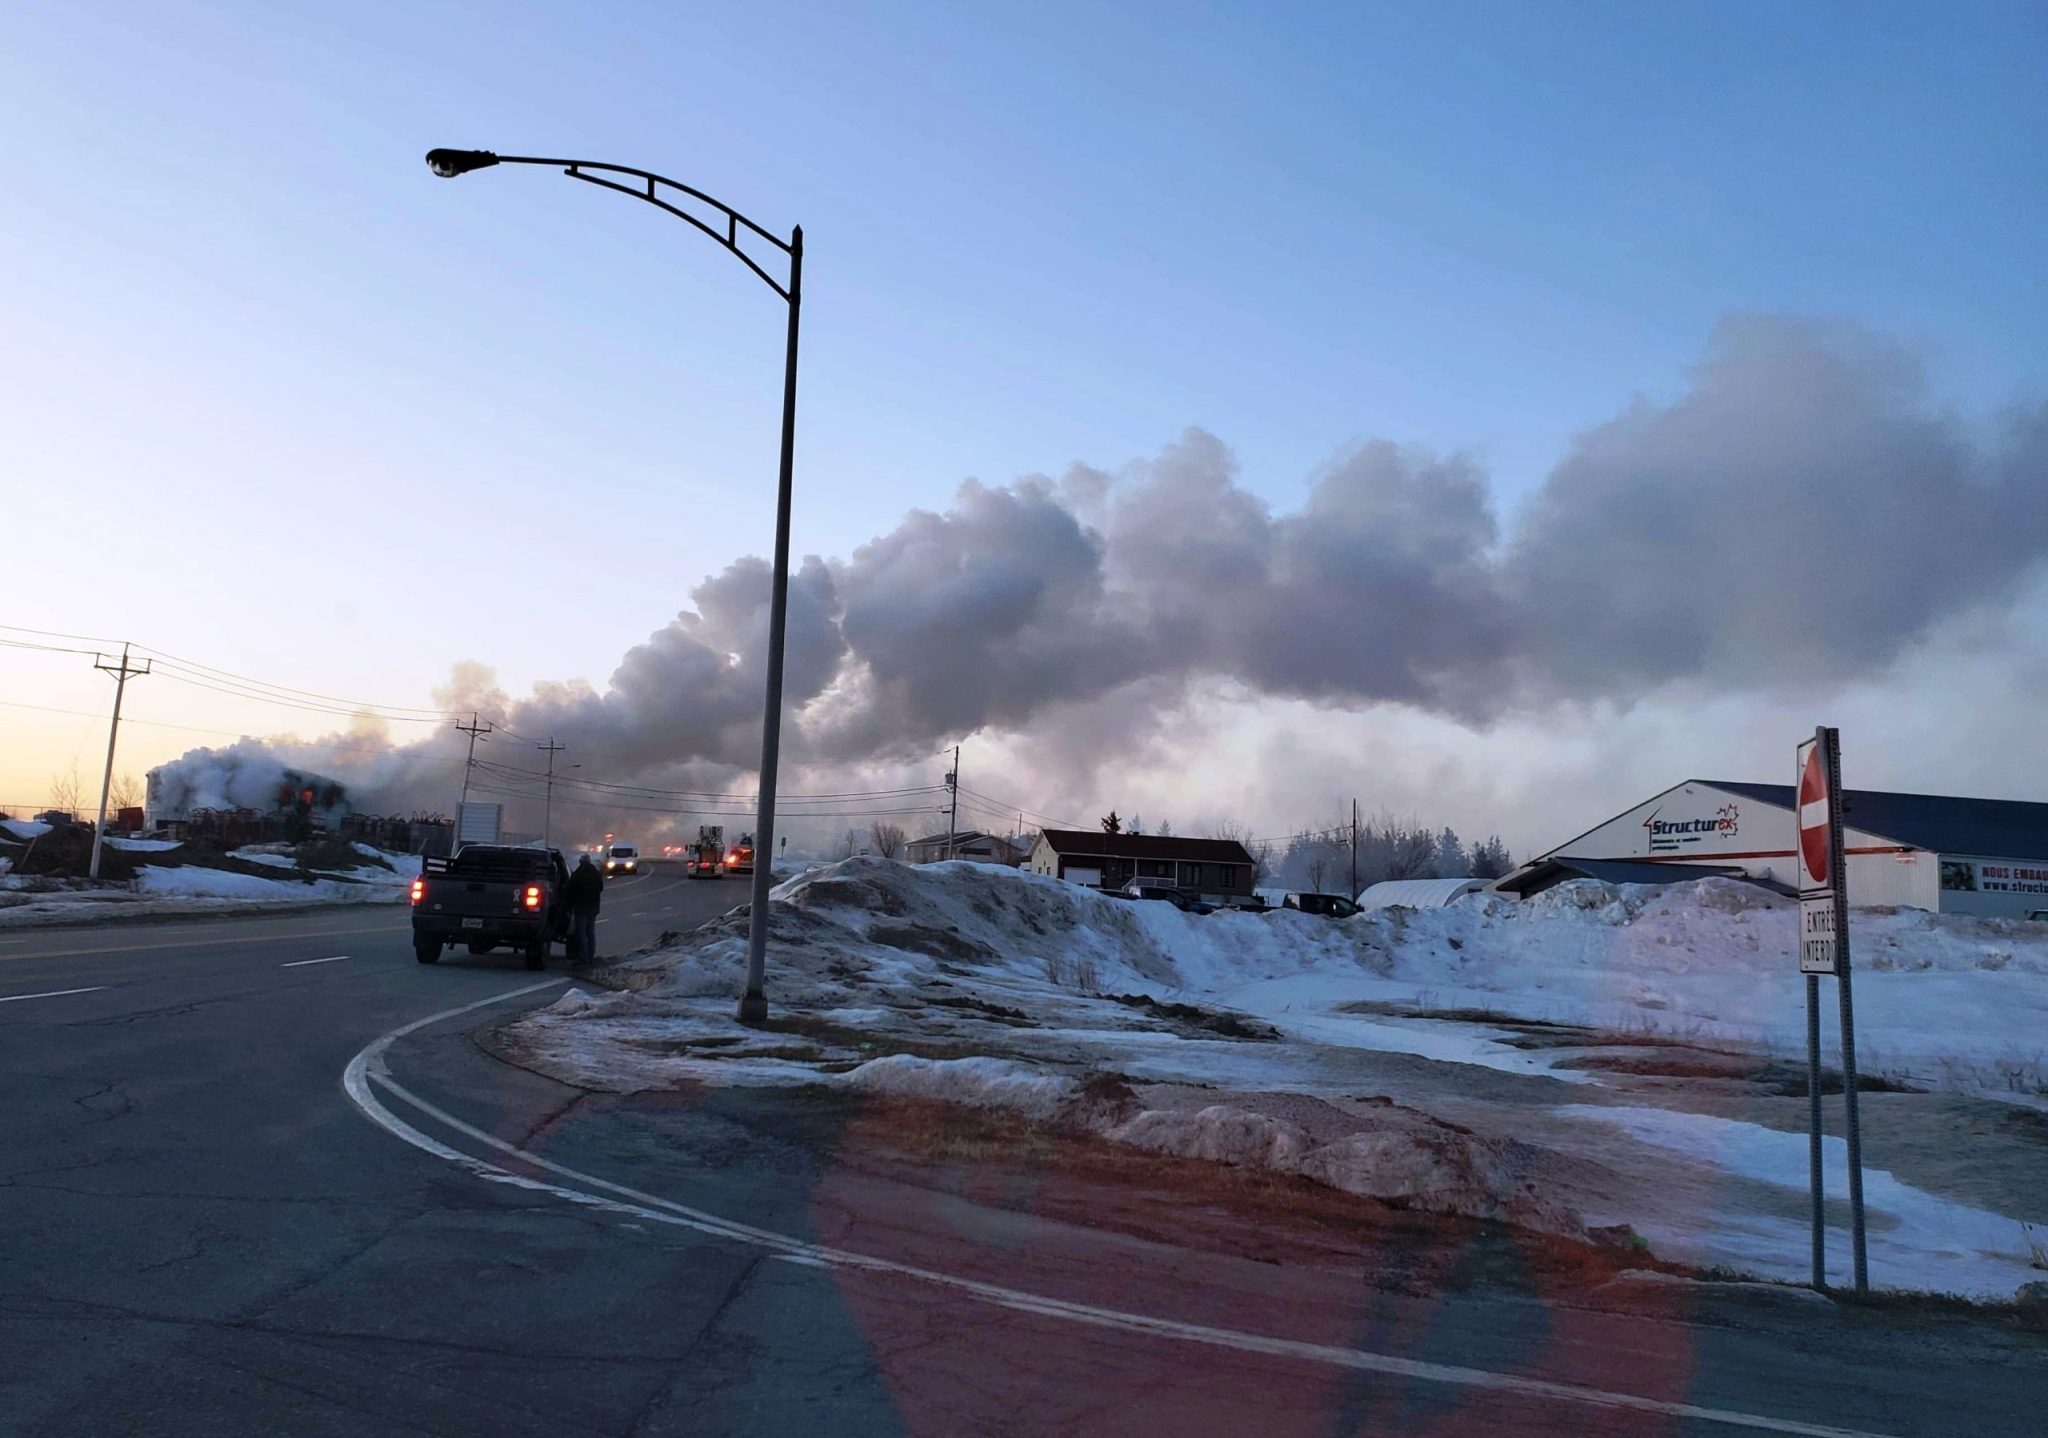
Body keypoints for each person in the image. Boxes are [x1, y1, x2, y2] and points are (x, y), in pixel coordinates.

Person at [564, 853, 604, 964]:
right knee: (590, 932)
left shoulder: (578, 873)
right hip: (593, 907)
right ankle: (591, 956)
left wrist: (569, 905)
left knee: (580, 932)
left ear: (581, 862)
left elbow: (570, 890)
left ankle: (583, 957)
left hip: (581, 907)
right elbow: (600, 887)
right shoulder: (595, 873)